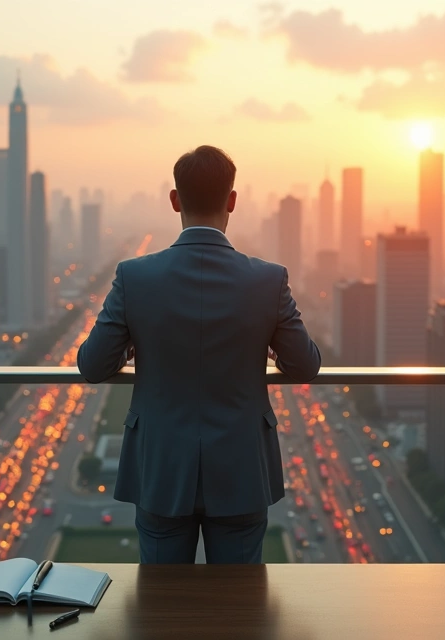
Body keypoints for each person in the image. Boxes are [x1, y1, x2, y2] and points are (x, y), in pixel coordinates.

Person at [78, 145, 321, 564]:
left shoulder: (134, 277)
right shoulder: (268, 280)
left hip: (160, 467)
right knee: (239, 607)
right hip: (242, 467)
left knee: (162, 607)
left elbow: (93, 365)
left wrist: (137, 341)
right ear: (232, 200)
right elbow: (305, 364)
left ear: (175, 200)